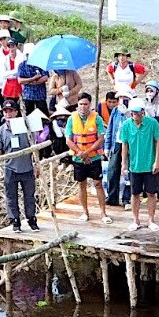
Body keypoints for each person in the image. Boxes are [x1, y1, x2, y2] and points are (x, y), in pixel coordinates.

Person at [115, 99, 159, 232]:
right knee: (134, 193)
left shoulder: (152, 123)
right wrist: (123, 164)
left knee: (151, 193)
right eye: (133, 112)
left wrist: (157, 161)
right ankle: (135, 220)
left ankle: (151, 220)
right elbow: (124, 144)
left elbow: (158, 141)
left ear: (143, 112)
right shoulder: (126, 125)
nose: (135, 115)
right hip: (134, 166)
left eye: (137, 112)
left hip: (149, 164)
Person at [60, 94, 107, 223]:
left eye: (85, 104)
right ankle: (85, 212)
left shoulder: (96, 118)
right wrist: (80, 153)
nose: (83, 106)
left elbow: (101, 139)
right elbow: (68, 140)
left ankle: (103, 213)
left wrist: (88, 152)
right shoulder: (72, 118)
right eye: (80, 104)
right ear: (77, 105)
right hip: (78, 157)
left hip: (94, 157)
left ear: (89, 105)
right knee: (82, 184)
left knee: (98, 184)